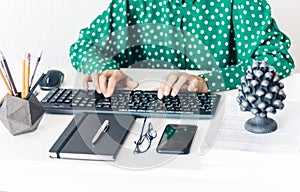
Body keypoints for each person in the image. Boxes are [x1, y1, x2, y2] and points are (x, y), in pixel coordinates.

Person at [69, 0, 294, 98]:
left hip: (221, 119)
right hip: (146, 118)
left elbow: (277, 58)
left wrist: (209, 81)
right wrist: (106, 70)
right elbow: (83, 47)